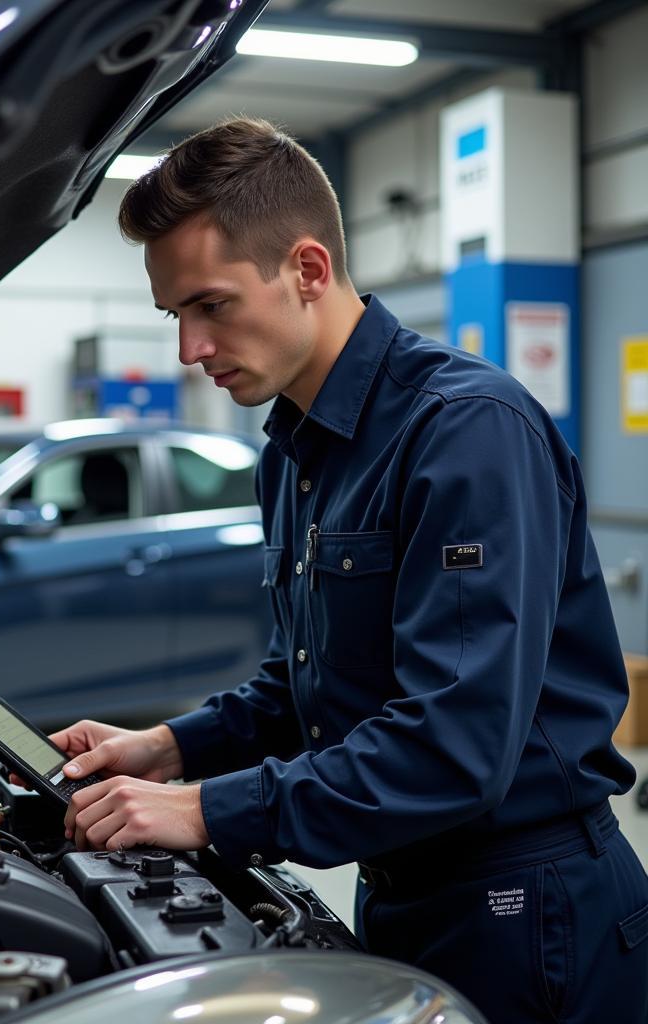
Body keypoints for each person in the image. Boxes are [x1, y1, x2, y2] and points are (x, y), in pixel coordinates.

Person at [41, 118, 648, 1022]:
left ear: (309, 270)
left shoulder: (466, 432)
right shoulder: (292, 451)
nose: (188, 350)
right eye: (176, 315)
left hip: (528, 910)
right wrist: (167, 748)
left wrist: (206, 810)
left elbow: (455, 744)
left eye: (212, 305)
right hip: (400, 886)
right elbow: (311, 687)